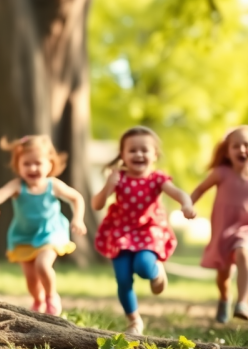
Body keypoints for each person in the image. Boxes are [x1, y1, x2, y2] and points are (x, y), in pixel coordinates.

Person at [91, 126, 196, 335]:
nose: (138, 154)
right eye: (132, 150)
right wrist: (108, 186)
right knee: (122, 278)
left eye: (144, 150)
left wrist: (187, 204)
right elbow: (97, 204)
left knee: (144, 267)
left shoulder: (157, 179)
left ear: (154, 155)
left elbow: (178, 193)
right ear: (123, 155)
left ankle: (156, 273)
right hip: (121, 232)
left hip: (149, 230)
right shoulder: (118, 178)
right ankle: (134, 320)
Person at [0, 135, 87, 316]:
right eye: (27, 164)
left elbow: (76, 198)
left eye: (38, 163)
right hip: (24, 236)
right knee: (31, 278)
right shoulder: (18, 185)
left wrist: (78, 219)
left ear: (50, 164)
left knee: (42, 264)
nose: (32, 168)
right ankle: (38, 300)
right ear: (18, 166)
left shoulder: (53, 185)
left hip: (51, 232)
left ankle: (51, 296)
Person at [191, 126, 248, 323]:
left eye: (246, 145)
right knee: (223, 275)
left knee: (243, 253)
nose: (242, 150)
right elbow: (200, 189)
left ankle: (243, 302)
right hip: (224, 230)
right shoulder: (221, 173)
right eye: (236, 146)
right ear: (227, 151)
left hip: (245, 228)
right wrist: (188, 205)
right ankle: (225, 298)